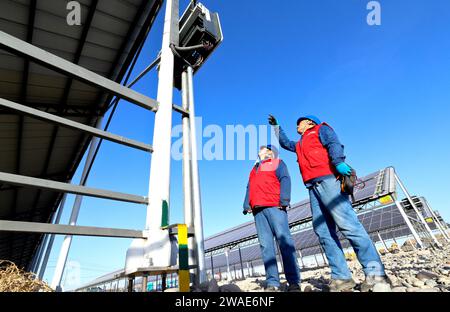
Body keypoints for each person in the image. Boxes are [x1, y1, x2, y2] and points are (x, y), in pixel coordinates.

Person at [268, 114, 390, 292]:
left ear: (310, 122)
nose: (297, 126)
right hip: (312, 187)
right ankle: (341, 277)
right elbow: (286, 143)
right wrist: (276, 128)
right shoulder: (300, 143)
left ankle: (376, 274)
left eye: (299, 123)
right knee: (323, 231)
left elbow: (334, 143)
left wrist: (338, 162)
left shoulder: (321, 129)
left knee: (348, 225)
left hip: (328, 180)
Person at [243, 145, 301, 292]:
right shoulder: (254, 169)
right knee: (266, 247)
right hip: (258, 210)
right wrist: (246, 204)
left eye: (268, 151)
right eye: (262, 151)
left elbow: (285, 179)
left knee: (285, 243)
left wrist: (284, 200)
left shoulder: (278, 163)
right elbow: (249, 187)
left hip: (275, 206)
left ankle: (294, 282)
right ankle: (273, 283)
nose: (264, 153)